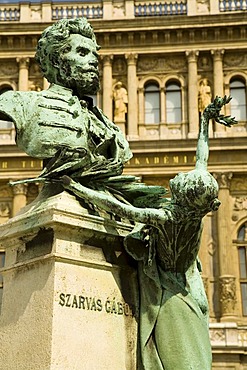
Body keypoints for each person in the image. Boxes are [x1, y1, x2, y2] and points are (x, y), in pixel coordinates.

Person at [61, 96, 237, 370]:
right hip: (192, 291)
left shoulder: (167, 218)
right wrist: (204, 120)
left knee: (175, 360)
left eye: (180, 181)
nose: (176, 177)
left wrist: (77, 187)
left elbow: (120, 208)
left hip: (173, 298)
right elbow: (202, 156)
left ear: (185, 195)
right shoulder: (193, 210)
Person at [0, 18, 132, 181]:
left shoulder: (109, 129)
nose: (93, 61)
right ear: (56, 60)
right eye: (82, 53)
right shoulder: (21, 103)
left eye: (94, 55)